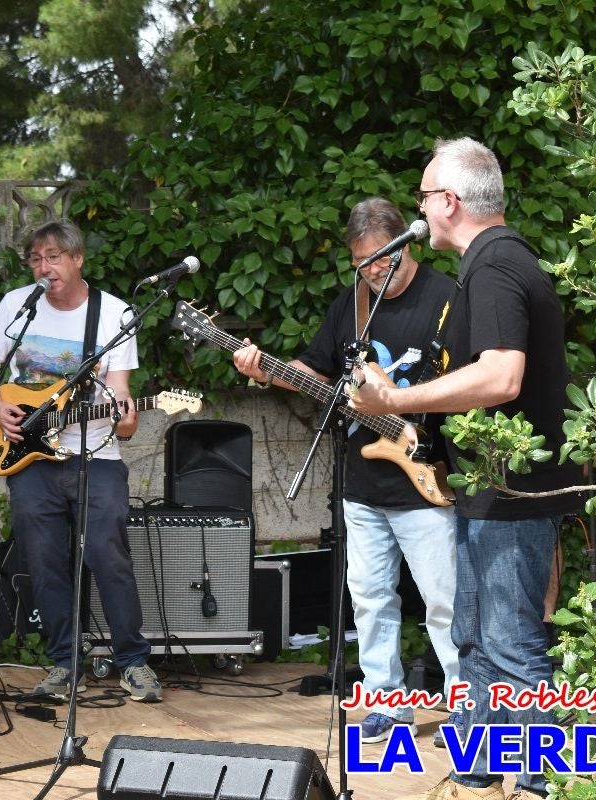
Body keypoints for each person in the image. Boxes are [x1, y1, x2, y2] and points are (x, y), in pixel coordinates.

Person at [348, 139, 582, 800]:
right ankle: (476, 777)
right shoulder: (489, 262)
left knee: (511, 647)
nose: (418, 206)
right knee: (476, 644)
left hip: (512, 497)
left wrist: (393, 400)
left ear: (448, 202)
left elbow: (502, 376)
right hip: (488, 491)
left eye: (423, 194)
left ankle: (539, 787)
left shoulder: (497, 265)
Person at [232, 197, 461, 745]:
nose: (374, 271)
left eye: (382, 260)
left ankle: (466, 701)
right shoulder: (351, 305)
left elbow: (475, 381)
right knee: (370, 597)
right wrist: (264, 369)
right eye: (362, 263)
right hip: (362, 484)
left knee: (444, 600)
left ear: (404, 244)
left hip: (428, 475)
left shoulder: (448, 298)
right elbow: (316, 371)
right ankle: (385, 700)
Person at [0, 218, 163, 703]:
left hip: (95, 455)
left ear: (78, 260)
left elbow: (121, 397)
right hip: (29, 458)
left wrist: (125, 417)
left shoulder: (114, 314)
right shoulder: (18, 305)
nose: (44, 266)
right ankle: (64, 663)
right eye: (36, 258)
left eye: (54, 257)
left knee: (108, 552)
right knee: (44, 561)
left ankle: (133, 661)